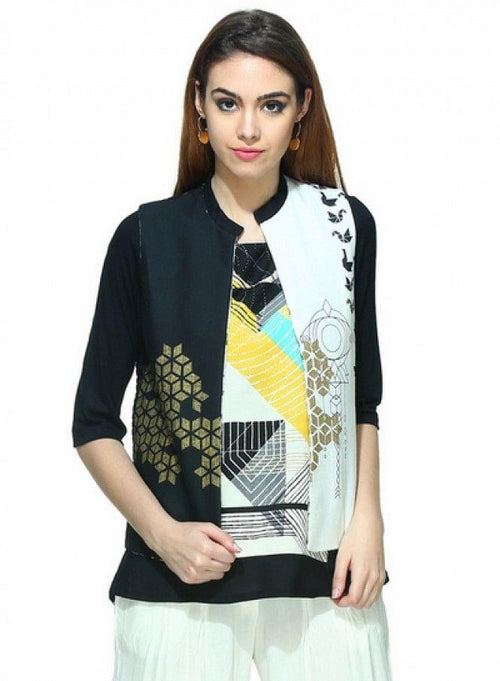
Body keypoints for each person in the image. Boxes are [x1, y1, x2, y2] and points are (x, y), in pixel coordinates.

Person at [71, 8, 393, 681]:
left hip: (327, 576)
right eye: (228, 103)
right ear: (200, 105)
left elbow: (362, 398)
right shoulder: (146, 238)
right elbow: (93, 422)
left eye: (271, 105)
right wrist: (163, 535)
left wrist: (369, 521)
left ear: (302, 109)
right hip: (180, 583)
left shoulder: (343, 227)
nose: (248, 128)